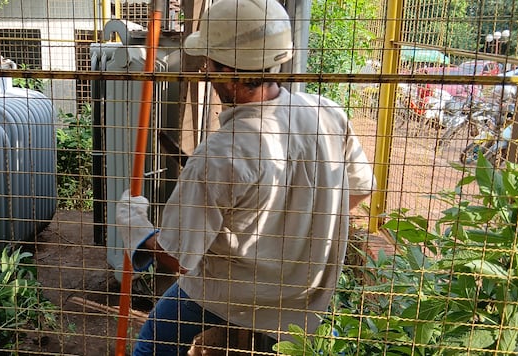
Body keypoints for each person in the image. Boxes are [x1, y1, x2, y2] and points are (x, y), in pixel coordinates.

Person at [116, 0, 376, 354]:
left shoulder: (220, 155)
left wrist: (135, 226)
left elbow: (178, 257)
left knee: (152, 345)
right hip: (305, 297)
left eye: (208, 61)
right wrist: (293, 231)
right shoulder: (326, 113)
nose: (205, 69)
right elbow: (359, 191)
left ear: (226, 72)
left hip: (227, 292)